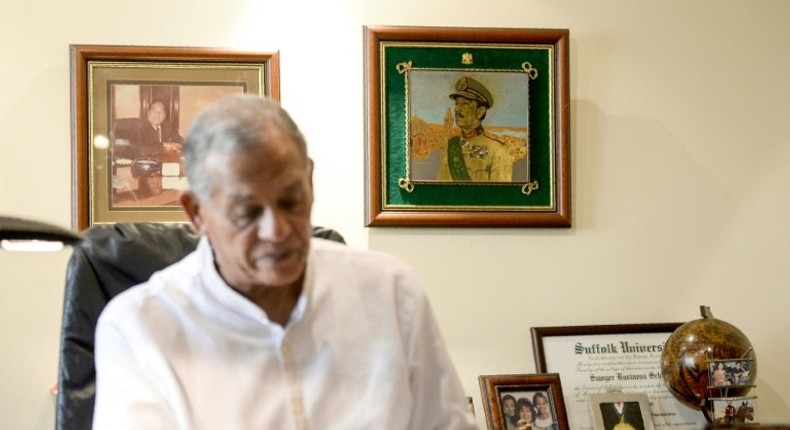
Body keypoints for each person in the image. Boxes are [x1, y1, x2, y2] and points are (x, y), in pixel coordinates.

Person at [91, 94, 478, 430]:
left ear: (310, 181)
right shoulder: (138, 327)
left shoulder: (390, 291)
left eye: (292, 202)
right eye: (246, 212)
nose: (277, 231)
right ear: (196, 213)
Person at [437, 76, 513, 182]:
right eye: (457, 103)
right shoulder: (450, 145)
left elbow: (501, 196)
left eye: (465, 103)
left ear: (480, 111)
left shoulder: (498, 151)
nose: (457, 109)